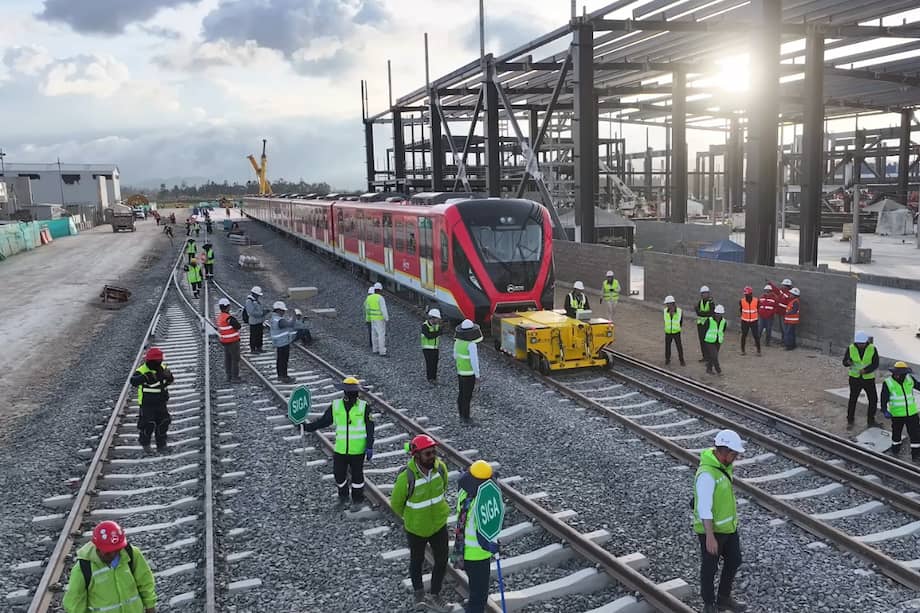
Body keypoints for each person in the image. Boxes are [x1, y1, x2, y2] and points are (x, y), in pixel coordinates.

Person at [390, 435, 451, 612]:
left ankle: (435, 595)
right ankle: (418, 594)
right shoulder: (406, 477)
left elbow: (443, 489)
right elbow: (396, 504)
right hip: (416, 528)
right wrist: (411, 518)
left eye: (434, 452)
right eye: (427, 454)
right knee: (416, 561)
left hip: (438, 525)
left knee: (442, 560)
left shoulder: (441, 470)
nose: (432, 456)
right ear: (416, 456)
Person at [693, 430, 747, 613]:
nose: (736, 458)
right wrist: (709, 536)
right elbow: (704, 507)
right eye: (734, 454)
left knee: (734, 560)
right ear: (724, 452)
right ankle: (709, 605)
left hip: (728, 528)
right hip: (712, 530)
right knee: (710, 567)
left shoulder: (723, 467)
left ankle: (723, 598)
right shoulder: (707, 474)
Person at [304, 377, 375, 507]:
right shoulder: (336, 406)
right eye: (350, 392)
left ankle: (357, 500)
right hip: (341, 449)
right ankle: (343, 496)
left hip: (358, 450)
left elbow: (370, 429)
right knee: (339, 475)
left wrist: (369, 446)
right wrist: (307, 427)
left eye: (355, 392)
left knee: (357, 477)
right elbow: (324, 421)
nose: (353, 394)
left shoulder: (365, 408)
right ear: (344, 392)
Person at [62, 520, 156, 613]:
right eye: (108, 552)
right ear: (97, 548)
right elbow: (74, 601)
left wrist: (150, 606)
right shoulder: (84, 567)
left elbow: (145, 581)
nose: (113, 555)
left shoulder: (131, 554)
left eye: (117, 550)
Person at [452, 460, 499, 613]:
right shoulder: (480, 503)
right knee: (479, 597)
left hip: (463, 551)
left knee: (474, 589)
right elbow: (482, 535)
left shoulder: (463, 493)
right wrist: (493, 547)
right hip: (478, 555)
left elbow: (465, 478)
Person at [129, 347, 175, 453]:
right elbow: (133, 381)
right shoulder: (142, 370)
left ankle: (161, 446)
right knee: (148, 424)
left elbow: (169, 380)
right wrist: (145, 377)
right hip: (147, 404)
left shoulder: (162, 368)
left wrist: (168, 377)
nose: (158, 363)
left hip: (161, 402)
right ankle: (146, 446)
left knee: (163, 423)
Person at [880, 361, 920, 461]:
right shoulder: (888, 383)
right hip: (897, 414)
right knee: (896, 433)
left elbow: (919, 386)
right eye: (901, 374)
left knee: (915, 434)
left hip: (911, 413)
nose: (902, 376)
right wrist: (884, 410)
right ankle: (895, 450)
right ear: (895, 373)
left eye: (904, 374)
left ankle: (916, 455)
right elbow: (884, 398)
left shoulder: (909, 379)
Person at [842, 331, 879, 429]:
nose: (860, 345)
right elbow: (844, 362)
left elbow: (875, 363)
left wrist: (866, 370)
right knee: (853, 399)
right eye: (859, 344)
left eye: (862, 344)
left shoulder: (872, 348)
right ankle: (850, 420)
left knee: (873, 399)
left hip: (868, 379)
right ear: (856, 342)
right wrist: (848, 362)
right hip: (855, 378)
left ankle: (871, 420)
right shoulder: (851, 348)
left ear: (866, 342)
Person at [454, 319, 483, 423]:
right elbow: (474, 361)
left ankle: (461, 414)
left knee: (461, 394)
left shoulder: (457, 342)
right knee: (467, 396)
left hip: (460, 372)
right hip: (469, 374)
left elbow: (455, 356)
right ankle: (466, 417)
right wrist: (478, 375)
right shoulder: (471, 345)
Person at [216, 297, 242, 383]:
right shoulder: (228, 317)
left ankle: (229, 376)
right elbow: (238, 326)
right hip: (233, 341)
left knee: (228, 359)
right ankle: (235, 377)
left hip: (225, 341)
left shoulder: (220, 317)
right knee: (235, 359)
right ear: (227, 307)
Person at [269, 301, 296, 383]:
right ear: (278, 310)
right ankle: (284, 376)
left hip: (279, 343)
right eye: (283, 310)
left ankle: (280, 375)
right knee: (283, 361)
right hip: (283, 343)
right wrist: (294, 317)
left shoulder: (274, 318)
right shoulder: (279, 320)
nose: (284, 312)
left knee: (280, 360)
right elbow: (290, 324)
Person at [365, 282, 389, 356]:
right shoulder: (380, 298)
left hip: (372, 319)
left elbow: (367, 309)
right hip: (380, 319)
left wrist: (368, 319)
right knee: (381, 335)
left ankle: (375, 349)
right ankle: (382, 351)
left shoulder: (369, 298)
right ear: (379, 290)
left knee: (374, 334)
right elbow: (383, 309)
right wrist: (386, 318)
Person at [421, 308, 443, 384]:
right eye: (437, 319)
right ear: (432, 318)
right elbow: (429, 336)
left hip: (435, 348)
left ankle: (434, 377)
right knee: (430, 363)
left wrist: (437, 333)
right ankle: (430, 378)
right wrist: (437, 333)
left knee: (435, 363)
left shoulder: (437, 325)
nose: (438, 320)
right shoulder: (425, 326)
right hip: (427, 349)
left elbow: (440, 332)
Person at [704, 305, 727, 375]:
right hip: (709, 340)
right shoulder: (709, 320)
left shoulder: (724, 321)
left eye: (719, 314)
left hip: (718, 340)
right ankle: (718, 371)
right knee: (714, 355)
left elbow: (723, 330)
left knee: (712, 356)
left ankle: (709, 369)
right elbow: (704, 328)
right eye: (717, 313)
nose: (718, 315)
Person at [663, 295, 685, 366]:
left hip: (676, 332)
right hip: (668, 332)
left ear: (672, 303)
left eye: (668, 304)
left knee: (679, 346)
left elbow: (681, 322)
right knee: (667, 347)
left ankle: (681, 360)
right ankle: (667, 359)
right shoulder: (665, 311)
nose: (667, 305)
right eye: (666, 304)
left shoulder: (679, 311)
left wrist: (678, 328)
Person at [738, 287, 761, 355]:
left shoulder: (757, 301)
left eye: (747, 294)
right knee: (744, 335)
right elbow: (741, 310)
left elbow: (757, 309)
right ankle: (743, 350)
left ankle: (758, 351)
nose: (746, 295)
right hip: (745, 321)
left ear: (751, 294)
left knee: (756, 336)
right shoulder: (741, 301)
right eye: (745, 294)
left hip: (754, 321)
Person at [244, 286, 266, 353]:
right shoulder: (249, 301)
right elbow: (251, 312)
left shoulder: (256, 300)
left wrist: (263, 312)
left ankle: (259, 347)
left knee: (259, 335)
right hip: (253, 322)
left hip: (259, 321)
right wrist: (262, 313)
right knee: (253, 335)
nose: (258, 296)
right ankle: (253, 349)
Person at [695, 286, 715, 362]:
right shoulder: (700, 302)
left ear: (708, 294)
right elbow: (698, 313)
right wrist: (701, 313)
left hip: (708, 324)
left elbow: (710, 313)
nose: (704, 295)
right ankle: (705, 356)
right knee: (702, 341)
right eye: (703, 293)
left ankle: (709, 357)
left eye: (706, 293)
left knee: (708, 341)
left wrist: (701, 313)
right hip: (700, 324)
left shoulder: (711, 303)